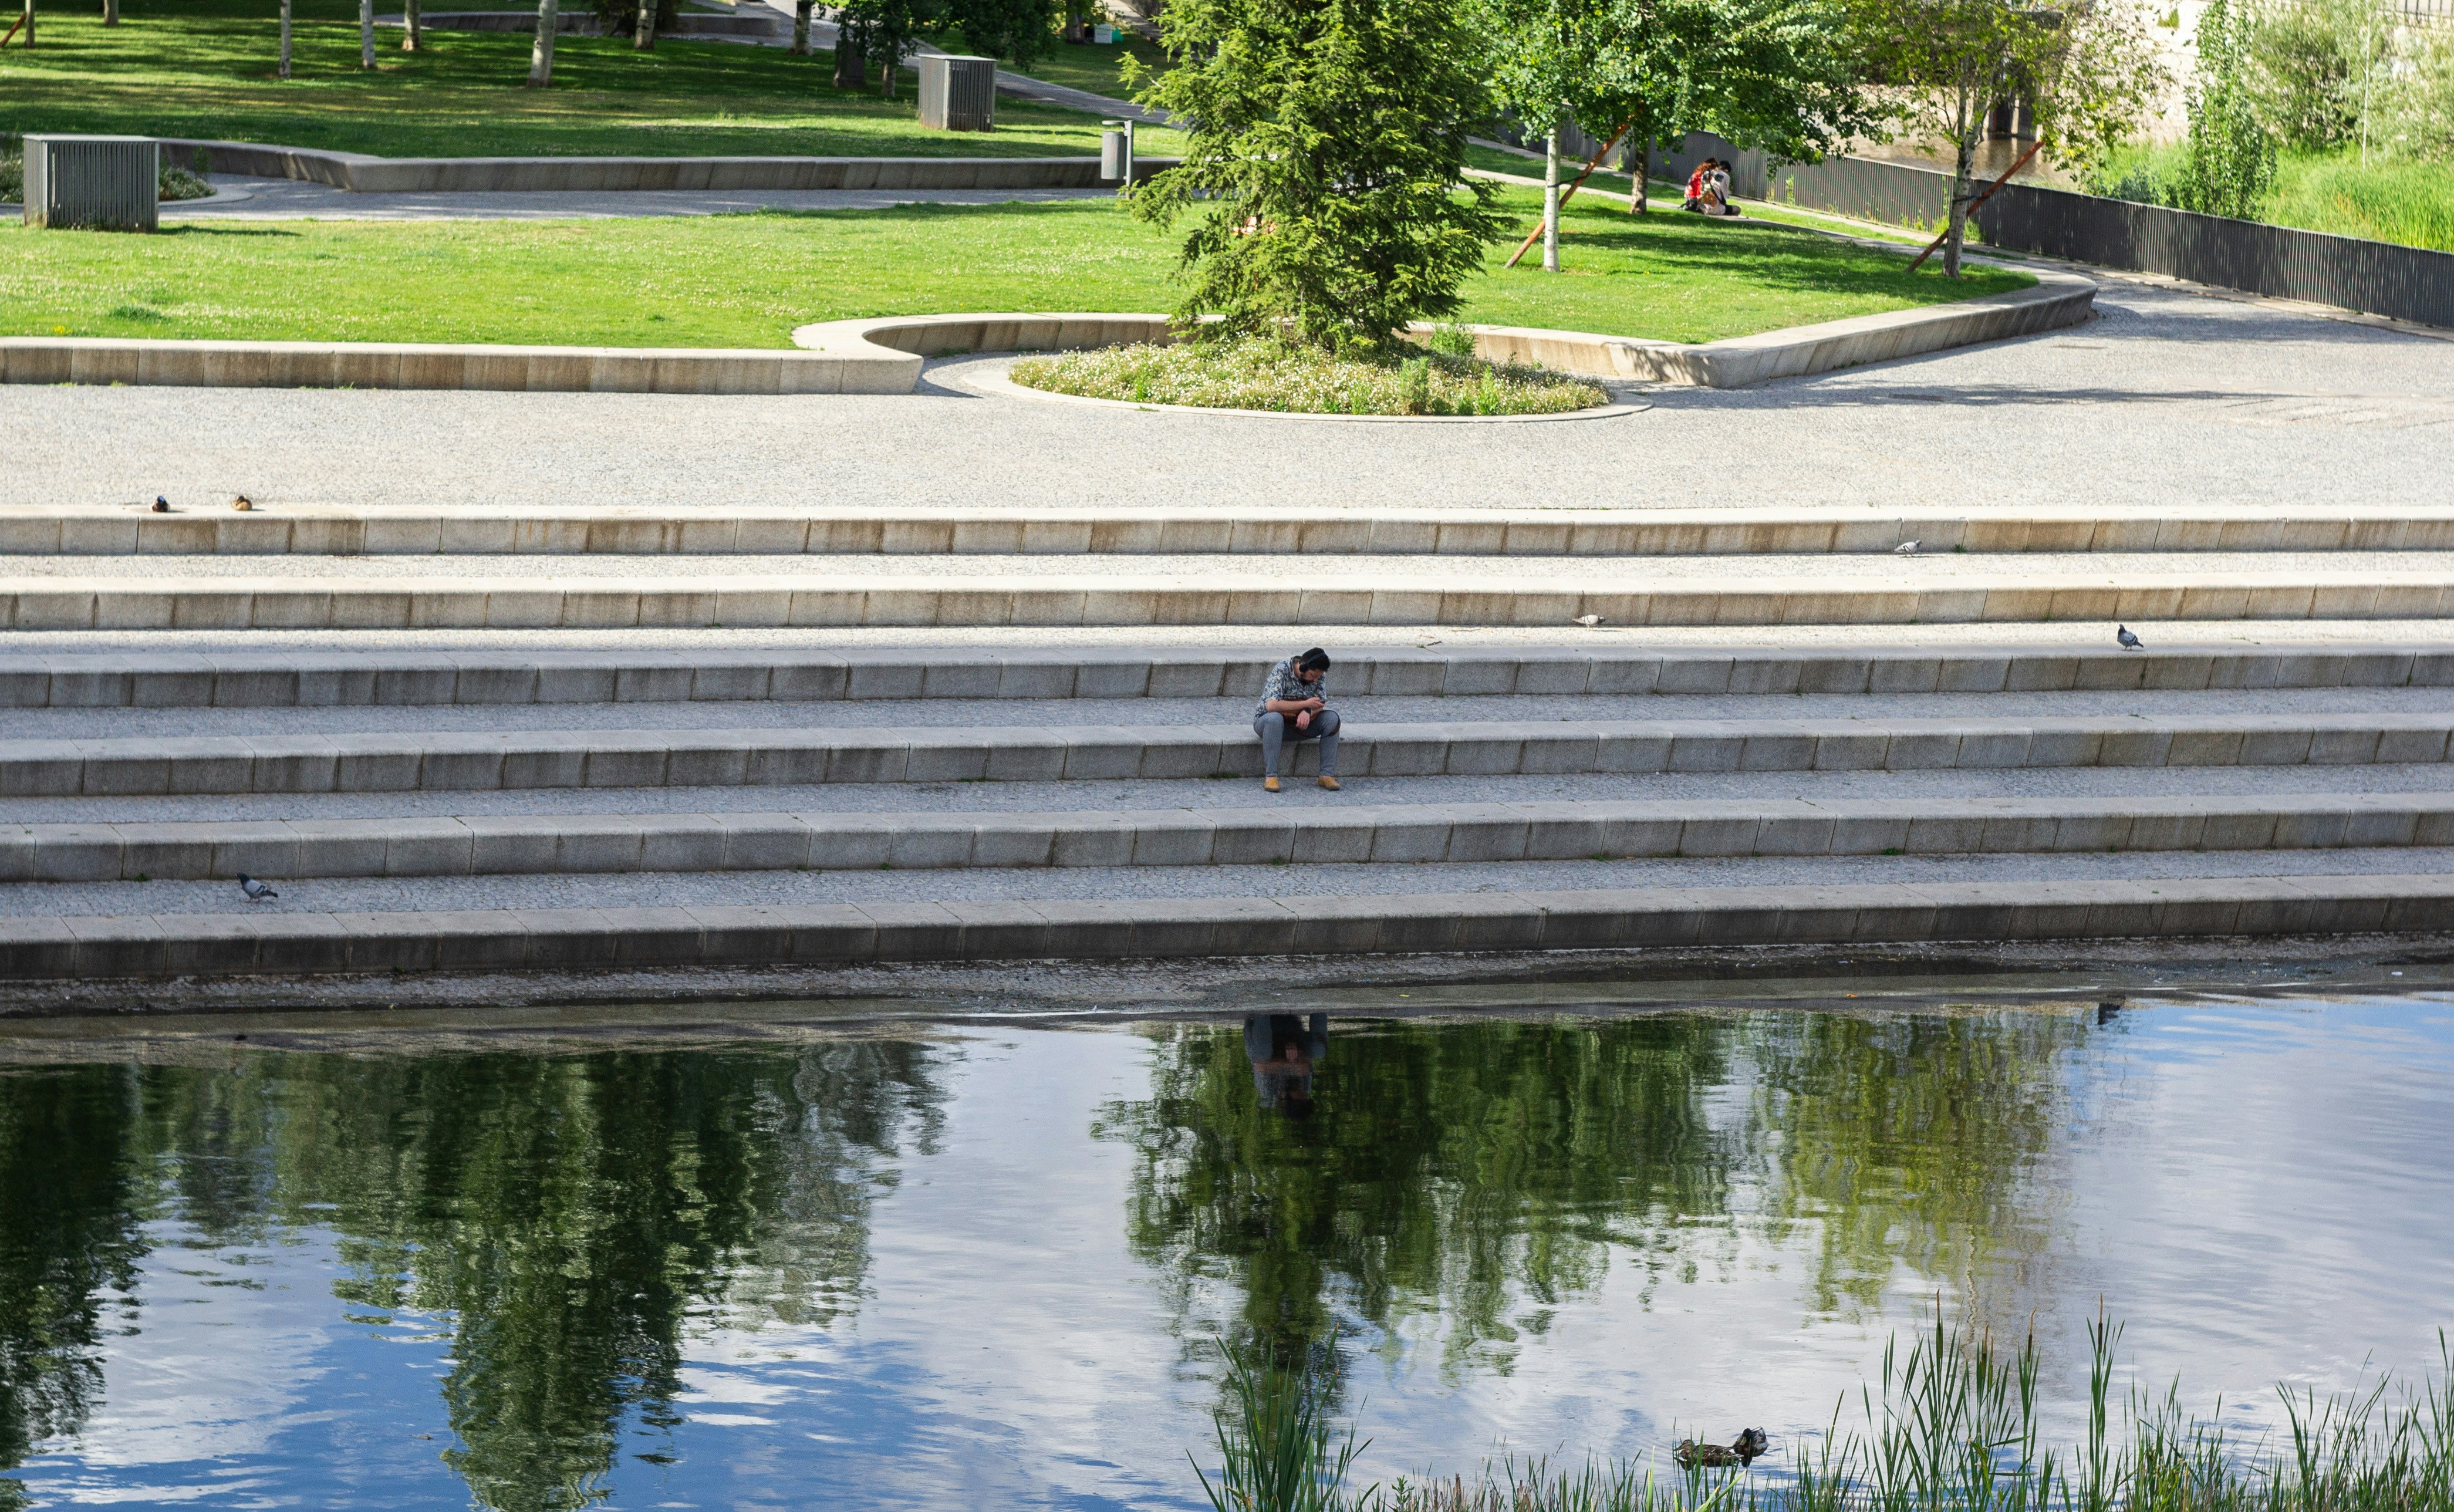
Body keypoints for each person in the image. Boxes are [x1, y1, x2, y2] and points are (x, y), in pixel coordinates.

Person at [1254, 646, 1341, 794]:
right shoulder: (1282, 669)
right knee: (1274, 718)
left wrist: (1308, 711)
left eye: (1318, 677)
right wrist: (1306, 705)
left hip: (1299, 725)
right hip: (1270, 724)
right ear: (1302, 667)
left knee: (1332, 719)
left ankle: (1326, 775)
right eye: (1313, 675)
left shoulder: (1318, 675)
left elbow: (1321, 703)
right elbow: (1272, 705)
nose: (1315, 679)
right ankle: (1271, 776)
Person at [1245, 1013, 1328, 1119]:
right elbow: (1307, 1064)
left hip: (1259, 1034)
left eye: (1300, 1098)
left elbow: (1259, 1065)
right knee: (1319, 1051)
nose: (1305, 1095)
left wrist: (1289, 1062)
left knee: (1263, 1054)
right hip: (1290, 1030)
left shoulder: (1269, 1091)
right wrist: (1291, 1062)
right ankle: (1319, 1007)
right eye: (1306, 1098)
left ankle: (1262, 1011)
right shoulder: (1305, 1088)